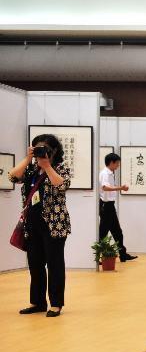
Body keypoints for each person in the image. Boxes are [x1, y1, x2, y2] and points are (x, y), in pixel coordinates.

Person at [8, 134, 71, 318]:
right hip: (32, 225)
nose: (41, 152)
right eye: (37, 149)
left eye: (44, 149)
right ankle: (37, 302)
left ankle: (56, 304)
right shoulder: (31, 170)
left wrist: (47, 167)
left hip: (54, 225)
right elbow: (12, 177)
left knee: (55, 265)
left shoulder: (60, 169)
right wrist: (28, 159)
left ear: (54, 151)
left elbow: (61, 185)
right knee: (35, 265)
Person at [98, 152, 137, 262]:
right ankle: (100, 256)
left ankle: (122, 254)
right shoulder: (105, 173)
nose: (118, 165)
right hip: (106, 206)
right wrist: (120, 188)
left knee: (115, 232)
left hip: (108, 206)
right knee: (105, 233)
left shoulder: (109, 172)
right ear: (111, 162)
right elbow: (105, 187)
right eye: (117, 163)